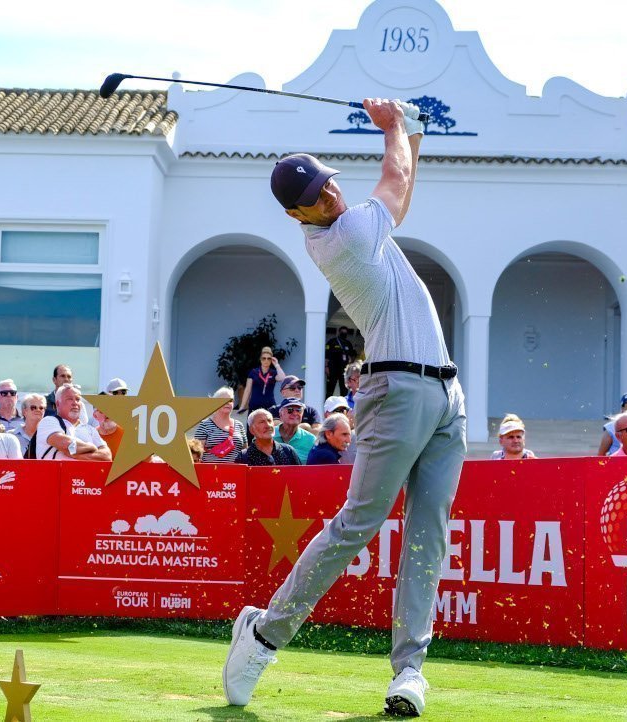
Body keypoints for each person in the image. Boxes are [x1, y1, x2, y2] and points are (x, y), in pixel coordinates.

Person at [224, 99, 465, 718]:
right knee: (358, 524)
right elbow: (400, 181)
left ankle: (409, 671)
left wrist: (410, 131)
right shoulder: (345, 235)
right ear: (296, 213)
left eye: (328, 180)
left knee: (427, 536)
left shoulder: (360, 225)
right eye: (314, 193)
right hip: (396, 392)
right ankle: (266, 633)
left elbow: (406, 172)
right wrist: (391, 128)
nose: (328, 193)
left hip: (446, 396)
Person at [33, 384, 111, 461]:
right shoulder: (48, 421)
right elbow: (65, 445)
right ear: (57, 403)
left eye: (78, 399)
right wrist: (92, 447)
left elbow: (106, 456)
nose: (75, 403)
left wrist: (76, 455)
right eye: (70, 399)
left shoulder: (90, 429)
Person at [192, 387, 247, 464]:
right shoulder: (204, 425)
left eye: (230, 400)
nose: (228, 403)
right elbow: (195, 453)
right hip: (211, 473)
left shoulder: (239, 425)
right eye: (223, 400)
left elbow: (245, 452)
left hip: (236, 473)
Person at [233, 408, 301, 466]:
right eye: (262, 422)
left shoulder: (288, 451)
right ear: (252, 430)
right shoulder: (244, 457)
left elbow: (300, 477)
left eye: (269, 421)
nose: (268, 425)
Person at [239, 346, 285, 415]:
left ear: (271, 360)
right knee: (253, 425)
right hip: (254, 406)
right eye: (264, 358)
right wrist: (242, 406)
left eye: (269, 359)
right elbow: (247, 390)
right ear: (260, 359)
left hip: (269, 406)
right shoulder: (253, 372)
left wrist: (277, 365)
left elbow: (283, 379)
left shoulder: (273, 372)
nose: (266, 360)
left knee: (270, 425)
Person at [324, 326, 356, 396]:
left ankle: (343, 405)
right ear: (339, 332)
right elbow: (326, 355)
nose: (344, 334)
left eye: (345, 333)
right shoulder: (332, 342)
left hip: (344, 371)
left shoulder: (348, 343)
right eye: (342, 332)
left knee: (344, 390)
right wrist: (326, 367)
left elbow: (353, 355)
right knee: (330, 389)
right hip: (332, 369)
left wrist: (350, 367)